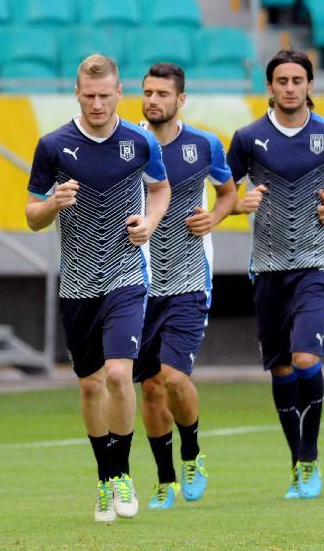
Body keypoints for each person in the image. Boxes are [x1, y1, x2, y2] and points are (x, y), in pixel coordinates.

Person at [24, 54, 170, 521]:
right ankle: (104, 478)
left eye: (105, 96)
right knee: (90, 387)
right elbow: (31, 215)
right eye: (89, 97)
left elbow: (160, 189)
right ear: (77, 94)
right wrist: (53, 203)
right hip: (77, 284)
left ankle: (122, 472)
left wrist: (149, 221)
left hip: (126, 276)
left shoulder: (141, 141)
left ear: (119, 93)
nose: (98, 105)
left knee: (118, 375)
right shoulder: (53, 145)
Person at [227, 49, 324, 499]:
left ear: (310, 86)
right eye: (281, 80)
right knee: (280, 367)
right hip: (267, 265)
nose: (289, 88)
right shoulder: (247, 138)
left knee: (305, 358)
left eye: (297, 80)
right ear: (270, 87)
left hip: (317, 262)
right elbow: (225, 189)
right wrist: (237, 205)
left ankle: (311, 457)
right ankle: (295, 460)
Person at [136, 63, 237, 509]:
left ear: (180, 100)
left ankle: (192, 453)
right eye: (147, 92)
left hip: (188, 278)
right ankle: (164, 478)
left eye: (162, 93)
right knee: (150, 387)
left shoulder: (204, 144)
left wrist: (213, 217)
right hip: (134, 281)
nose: (153, 99)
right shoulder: (126, 143)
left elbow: (229, 193)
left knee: (174, 376)